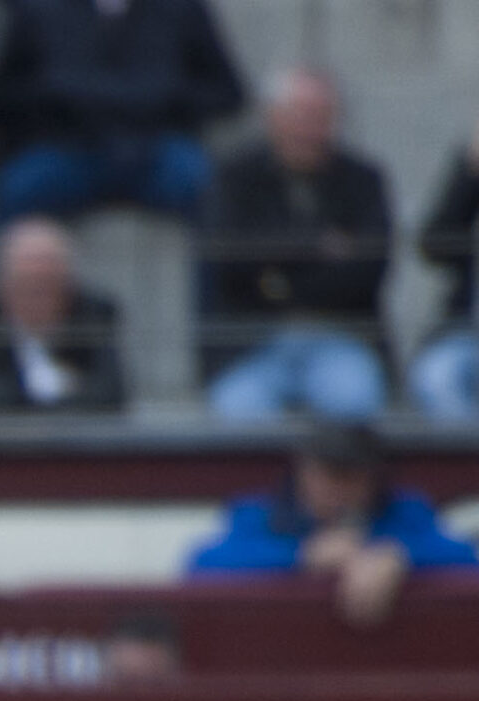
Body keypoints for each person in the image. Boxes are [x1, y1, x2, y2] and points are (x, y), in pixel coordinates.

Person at [201, 68, 392, 421]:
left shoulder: (364, 180)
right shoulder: (234, 177)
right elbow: (228, 262)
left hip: (340, 338)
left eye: (321, 117)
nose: (309, 130)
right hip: (253, 344)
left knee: (355, 405)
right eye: (299, 115)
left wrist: (274, 277)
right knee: (239, 416)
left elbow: (366, 273)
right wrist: (317, 245)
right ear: (272, 117)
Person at [185, 420, 477, 629]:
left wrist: (400, 556)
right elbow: (203, 565)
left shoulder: (405, 513)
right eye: (327, 476)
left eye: (351, 478)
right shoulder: (260, 514)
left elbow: (465, 559)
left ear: (373, 479)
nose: (337, 490)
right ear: (303, 473)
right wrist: (300, 556)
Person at [0, 0, 245, 225]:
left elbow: (228, 92)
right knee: (18, 189)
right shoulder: (39, 8)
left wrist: (168, 99)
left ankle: (219, 275)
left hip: (156, 149)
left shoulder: (181, 7)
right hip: (67, 150)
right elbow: (1, 95)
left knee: (207, 189)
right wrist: (56, 100)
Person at [0, 215, 129, 413]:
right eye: (25, 285)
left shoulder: (93, 319)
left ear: (69, 287)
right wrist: (63, 390)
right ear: (1, 286)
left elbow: (109, 395)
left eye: (46, 285)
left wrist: (13, 394)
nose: (35, 296)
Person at [409, 121, 479, 420]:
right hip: (467, 333)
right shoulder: (470, 174)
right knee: (437, 378)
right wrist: (470, 176)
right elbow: (433, 247)